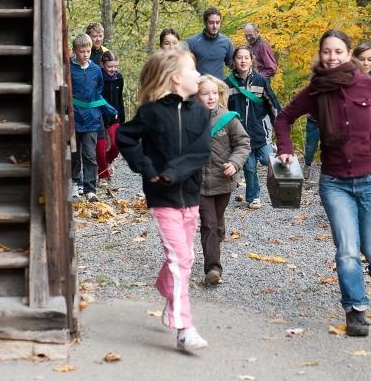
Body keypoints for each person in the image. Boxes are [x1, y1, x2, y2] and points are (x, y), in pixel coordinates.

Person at [274, 30, 371, 337]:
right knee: (347, 250)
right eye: (327, 51)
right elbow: (283, 118)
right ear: (321, 54)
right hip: (335, 183)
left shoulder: (366, 84)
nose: (332, 57)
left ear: (348, 54)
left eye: (338, 51)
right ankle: (355, 310)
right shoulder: (316, 89)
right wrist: (285, 149)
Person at [116, 49, 211, 352]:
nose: (199, 75)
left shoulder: (200, 112)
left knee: (185, 259)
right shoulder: (152, 111)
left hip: (191, 196)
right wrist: (149, 170)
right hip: (162, 198)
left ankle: (166, 288)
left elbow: (201, 152)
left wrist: (172, 173)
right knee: (180, 259)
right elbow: (125, 137)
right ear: (176, 78)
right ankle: (185, 328)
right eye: (193, 70)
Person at [195, 75, 250, 286]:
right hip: (198, 183)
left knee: (216, 225)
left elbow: (243, 144)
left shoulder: (229, 119)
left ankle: (217, 238)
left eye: (214, 93)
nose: (211, 97)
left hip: (223, 181)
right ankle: (213, 269)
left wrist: (234, 163)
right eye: (205, 93)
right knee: (208, 224)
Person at [225, 45, 281, 209]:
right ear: (234, 61)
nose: (243, 60)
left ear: (251, 61)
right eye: (239, 57)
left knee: (266, 160)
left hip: (260, 131)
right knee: (249, 167)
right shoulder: (227, 83)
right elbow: (223, 109)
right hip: (241, 135)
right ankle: (253, 197)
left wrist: (280, 127)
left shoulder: (260, 80)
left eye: (246, 58)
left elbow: (273, 104)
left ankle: (273, 150)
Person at [70, 34, 118, 202]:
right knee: (75, 154)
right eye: (82, 51)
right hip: (74, 118)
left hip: (92, 119)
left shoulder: (96, 70)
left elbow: (98, 93)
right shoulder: (69, 69)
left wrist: (109, 109)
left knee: (90, 154)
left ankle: (90, 189)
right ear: (74, 51)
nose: (85, 55)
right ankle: (75, 184)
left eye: (88, 51)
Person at [95, 50, 125, 182]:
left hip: (115, 116)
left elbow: (120, 99)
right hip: (100, 116)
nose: (113, 69)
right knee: (100, 147)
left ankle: (107, 162)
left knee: (116, 145)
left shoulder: (119, 78)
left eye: (115, 66)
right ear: (102, 65)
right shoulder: (98, 77)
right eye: (110, 66)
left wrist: (122, 118)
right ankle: (102, 174)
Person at [186, 7, 234, 79]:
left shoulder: (226, 42)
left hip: (218, 87)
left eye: (217, 23)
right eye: (211, 23)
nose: (215, 26)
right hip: (198, 86)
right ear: (205, 22)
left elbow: (234, 66)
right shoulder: (192, 42)